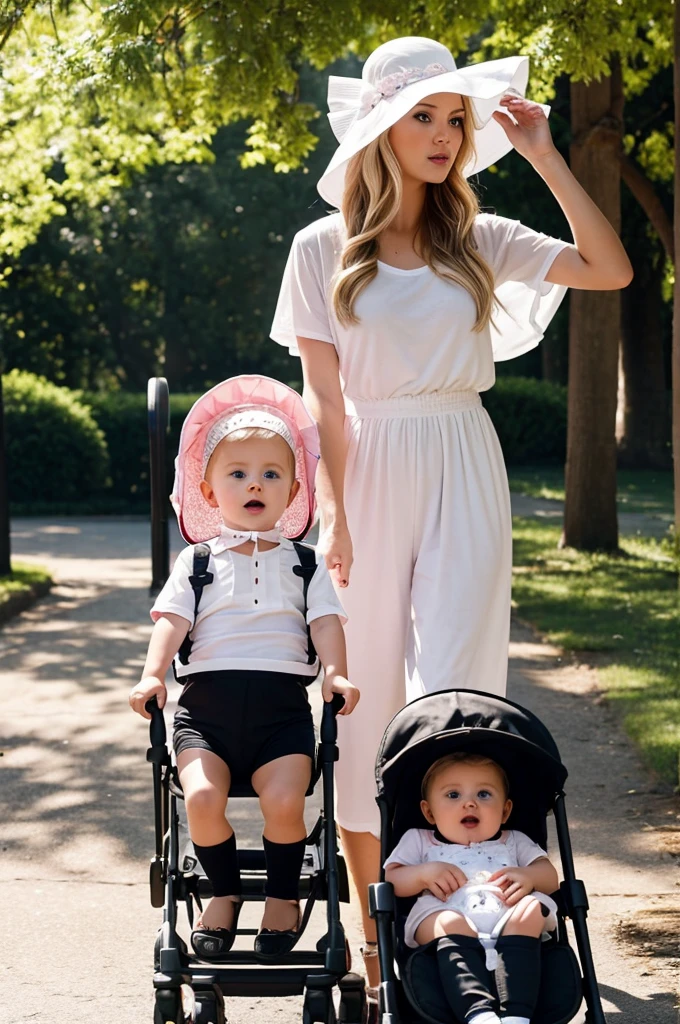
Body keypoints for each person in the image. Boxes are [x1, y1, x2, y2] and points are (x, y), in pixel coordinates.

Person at [270, 34, 632, 991]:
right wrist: (337, 517)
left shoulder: (480, 237)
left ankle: (469, 907)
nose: (441, 135)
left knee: (460, 687)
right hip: (369, 471)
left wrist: (548, 153)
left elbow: (610, 268)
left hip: (463, 461)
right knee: (365, 698)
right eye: (421, 117)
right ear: (382, 132)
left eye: (454, 118)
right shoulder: (320, 250)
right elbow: (325, 405)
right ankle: (373, 929)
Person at [128, 375, 359, 962]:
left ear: (292, 491)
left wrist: (334, 673)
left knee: (285, 800)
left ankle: (281, 898)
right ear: (208, 491)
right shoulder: (197, 562)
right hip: (206, 714)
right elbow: (171, 622)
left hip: (282, 717)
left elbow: (326, 624)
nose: (254, 482)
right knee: (201, 798)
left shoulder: (305, 566)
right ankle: (224, 892)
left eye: (271, 473)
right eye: (237, 473)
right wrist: (154, 674)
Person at [385, 752, 559, 1024]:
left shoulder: (514, 841)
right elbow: (391, 880)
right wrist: (422, 874)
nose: (469, 803)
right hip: (443, 911)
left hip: (509, 917)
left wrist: (528, 876)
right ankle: (478, 1012)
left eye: (484, 795)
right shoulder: (419, 840)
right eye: (453, 795)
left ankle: (517, 1015)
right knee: (448, 921)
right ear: (429, 812)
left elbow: (550, 877)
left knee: (532, 909)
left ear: (505, 811)